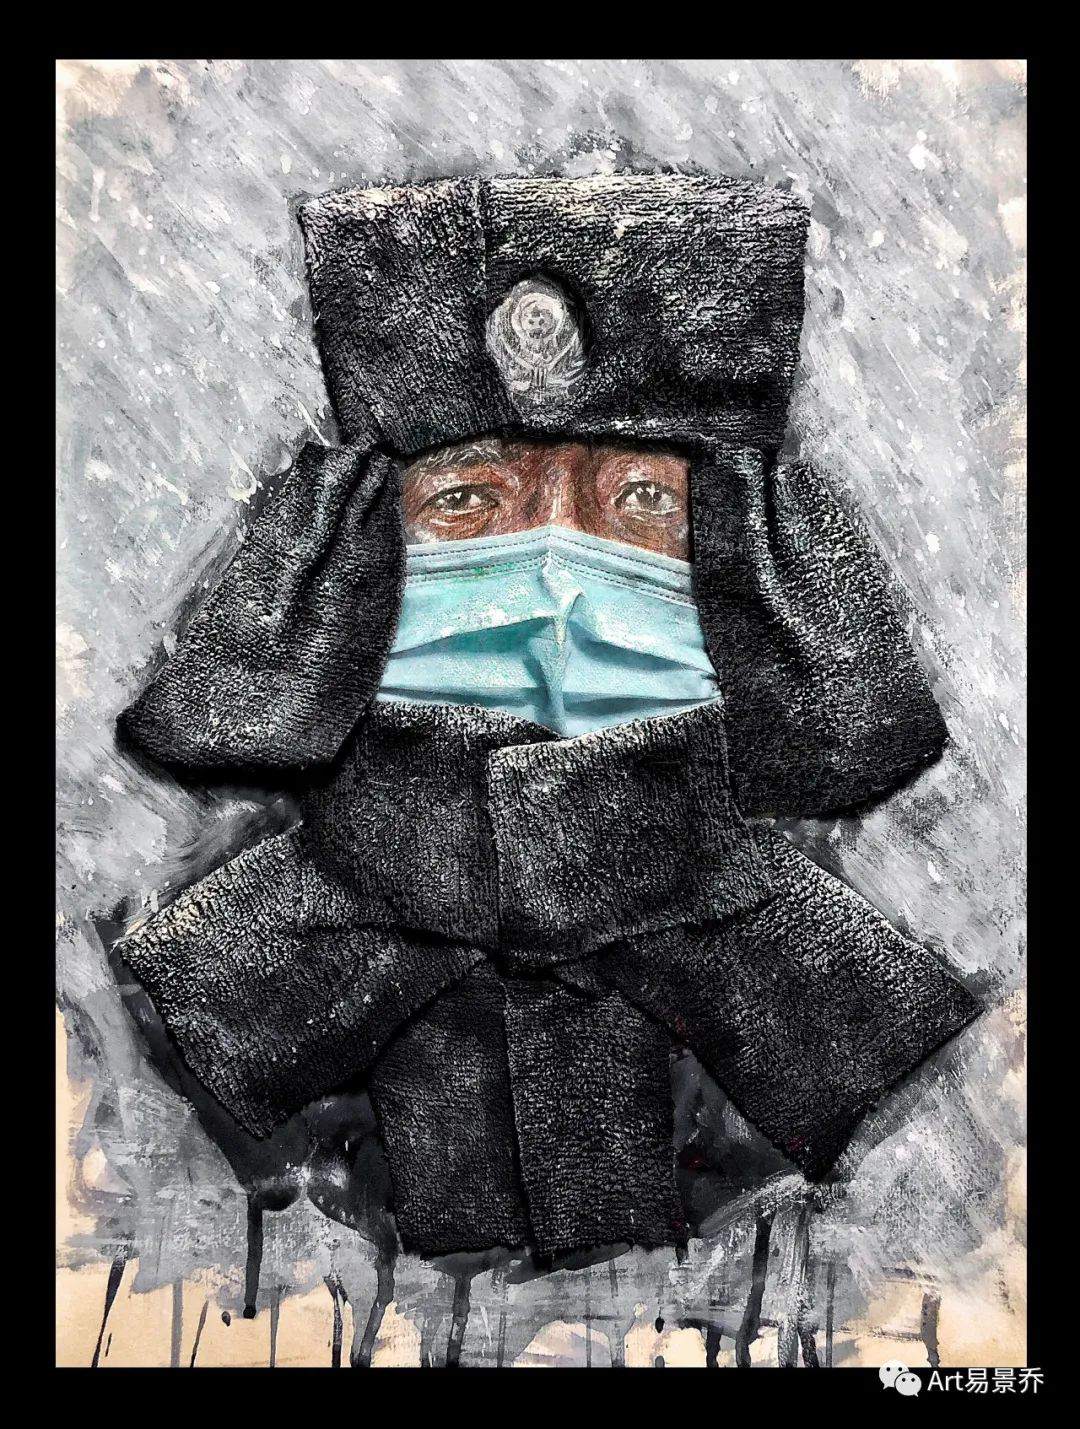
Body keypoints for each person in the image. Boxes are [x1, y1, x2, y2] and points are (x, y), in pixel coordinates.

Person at [115, 174, 980, 1262]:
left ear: (745, 559)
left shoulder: (854, 1016)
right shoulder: (191, 998)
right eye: (467, 500)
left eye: (644, 502)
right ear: (357, 557)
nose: (559, 575)